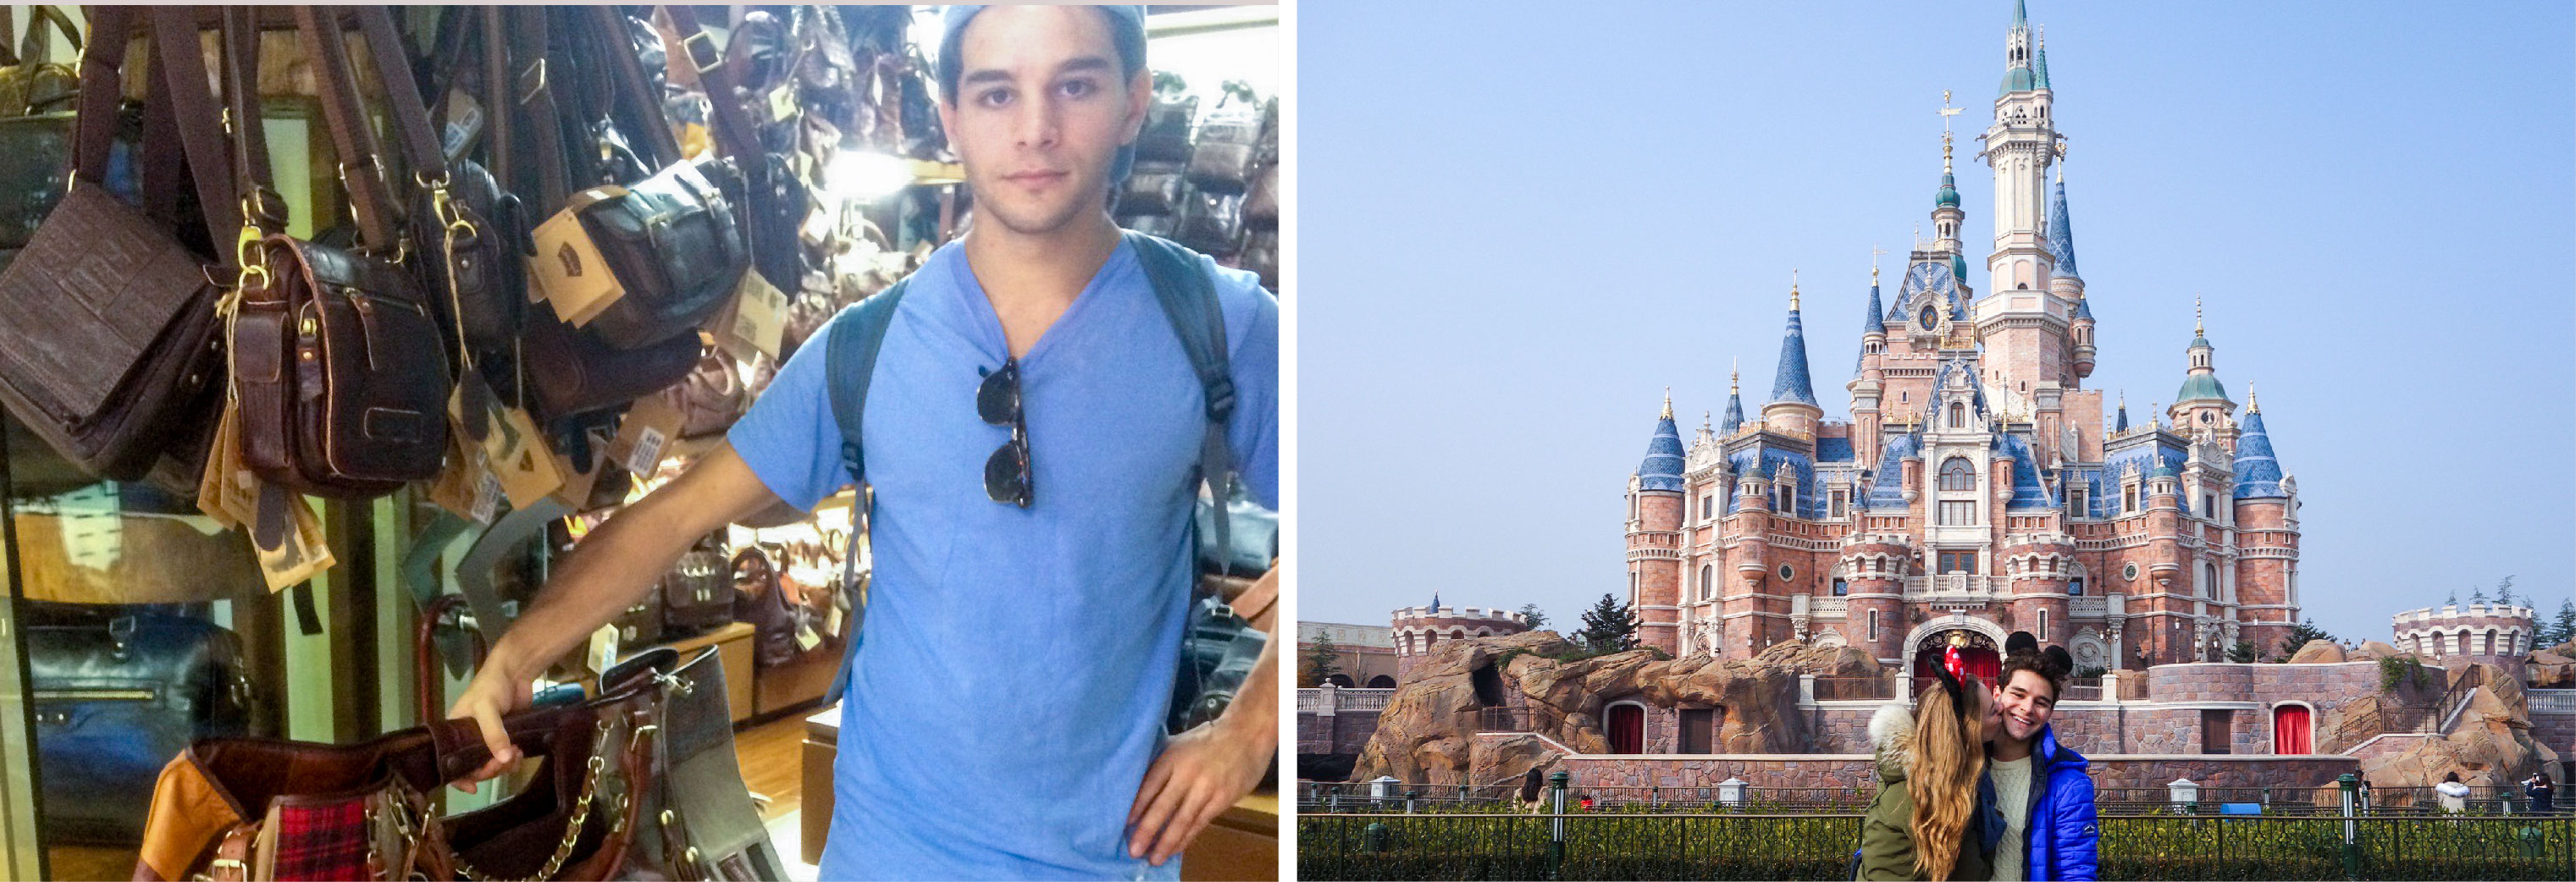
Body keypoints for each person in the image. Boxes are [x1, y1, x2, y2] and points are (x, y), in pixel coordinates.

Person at [444, 6, 1281, 879]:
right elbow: (674, 516)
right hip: (888, 848)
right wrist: (513, 657)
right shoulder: (866, 347)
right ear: (952, 116)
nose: (1036, 129)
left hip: (1111, 856)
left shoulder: (1217, 325)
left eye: (1075, 84)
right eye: (997, 93)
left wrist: (1250, 728)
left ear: (1134, 101)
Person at [1857, 665, 1998, 881]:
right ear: (1970, 729)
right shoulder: (1934, 794)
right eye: (1994, 711)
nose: (2003, 708)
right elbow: (1973, 875)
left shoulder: (1920, 777)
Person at [1982, 642, 2098, 881]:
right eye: (2018, 694)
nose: (2027, 708)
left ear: (2050, 712)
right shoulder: (1961, 765)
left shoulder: (2068, 785)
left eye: (2041, 702)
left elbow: (2075, 873)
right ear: (1997, 694)